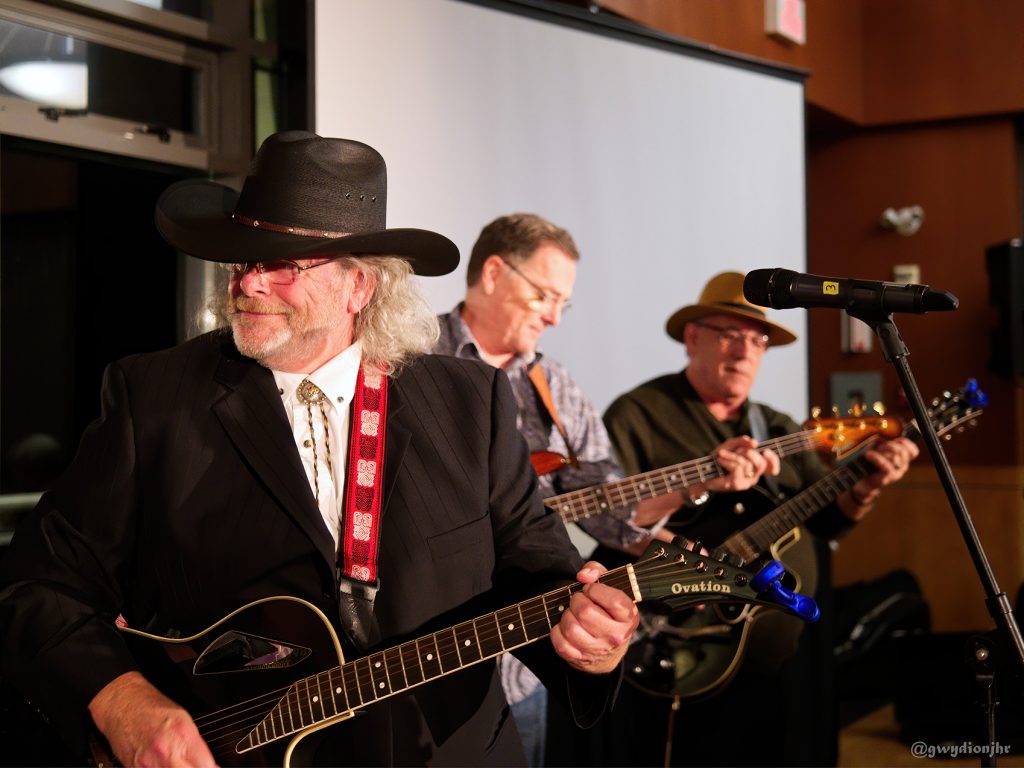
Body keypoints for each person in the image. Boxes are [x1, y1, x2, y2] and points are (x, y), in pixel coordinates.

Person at [0, 132, 639, 767]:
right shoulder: (153, 399)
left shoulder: (472, 403)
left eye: (280, 264)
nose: (248, 284)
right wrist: (125, 705)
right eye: (242, 259)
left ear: (358, 286)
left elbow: (540, 576)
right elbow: (39, 585)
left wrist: (593, 641)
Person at [591, 270, 919, 767]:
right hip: (675, 644)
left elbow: (830, 521)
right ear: (693, 338)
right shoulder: (638, 414)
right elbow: (610, 519)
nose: (745, 352)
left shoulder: (777, 427)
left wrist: (866, 486)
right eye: (730, 335)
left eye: (757, 340)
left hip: (776, 655)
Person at [435, 212, 678, 767]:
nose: (553, 316)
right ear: (494, 273)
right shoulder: (412, 357)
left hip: (520, 668)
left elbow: (603, 498)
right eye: (546, 295)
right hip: (418, 656)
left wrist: (685, 503)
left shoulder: (554, 384)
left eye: (563, 303)